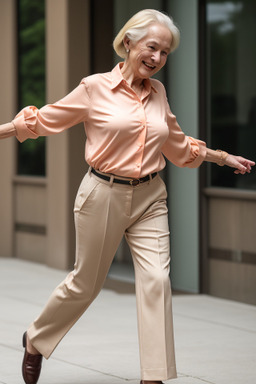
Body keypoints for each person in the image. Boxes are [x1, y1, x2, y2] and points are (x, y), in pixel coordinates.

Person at [0, 9, 254, 384]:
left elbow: (176, 142)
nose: (157, 58)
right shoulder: (94, 87)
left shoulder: (159, 93)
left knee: (157, 281)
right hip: (102, 193)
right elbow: (45, 119)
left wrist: (220, 156)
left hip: (151, 196)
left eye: (165, 53)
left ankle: (152, 377)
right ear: (129, 42)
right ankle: (36, 339)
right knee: (84, 284)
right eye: (152, 47)